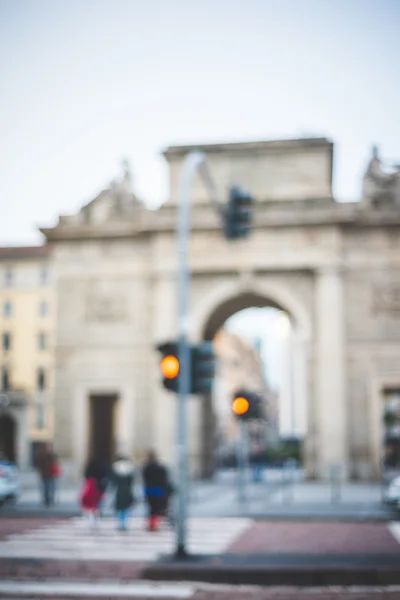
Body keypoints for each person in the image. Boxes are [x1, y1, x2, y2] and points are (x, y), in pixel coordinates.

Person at [142, 450, 171, 532]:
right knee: (157, 508)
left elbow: (145, 479)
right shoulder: (160, 467)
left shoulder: (146, 467)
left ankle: (151, 524)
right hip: (158, 490)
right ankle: (154, 524)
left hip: (149, 490)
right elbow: (164, 480)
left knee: (151, 508)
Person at [80, 457, 108, 530]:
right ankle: (96, 521)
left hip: (91, 491)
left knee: (90, 508)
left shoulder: (89, 473)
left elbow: (85, 479)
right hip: (99, 490)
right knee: (97, 507)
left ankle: (91, 522)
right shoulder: (102, 469)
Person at [111, 454, 135, 531]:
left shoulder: (116, 468)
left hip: (119, 491)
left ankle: (121, 524)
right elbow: (131, 481)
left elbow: (114, 481)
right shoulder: (129, 469)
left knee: (120, 509)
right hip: (127, 491)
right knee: (126, 508)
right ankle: (124, 524)